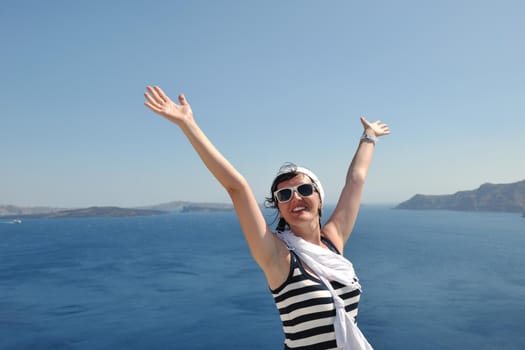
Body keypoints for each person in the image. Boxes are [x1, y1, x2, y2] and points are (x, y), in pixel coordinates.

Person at [144, 85, 390, 350]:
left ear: (320, 199)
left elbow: (356, 179)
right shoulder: (278, 257)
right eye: (284, 196)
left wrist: (369, 136)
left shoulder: (333, 241)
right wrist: (187, 124)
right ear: (279, 208)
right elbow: (236, 187)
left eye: (304, 190)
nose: (295, 198)